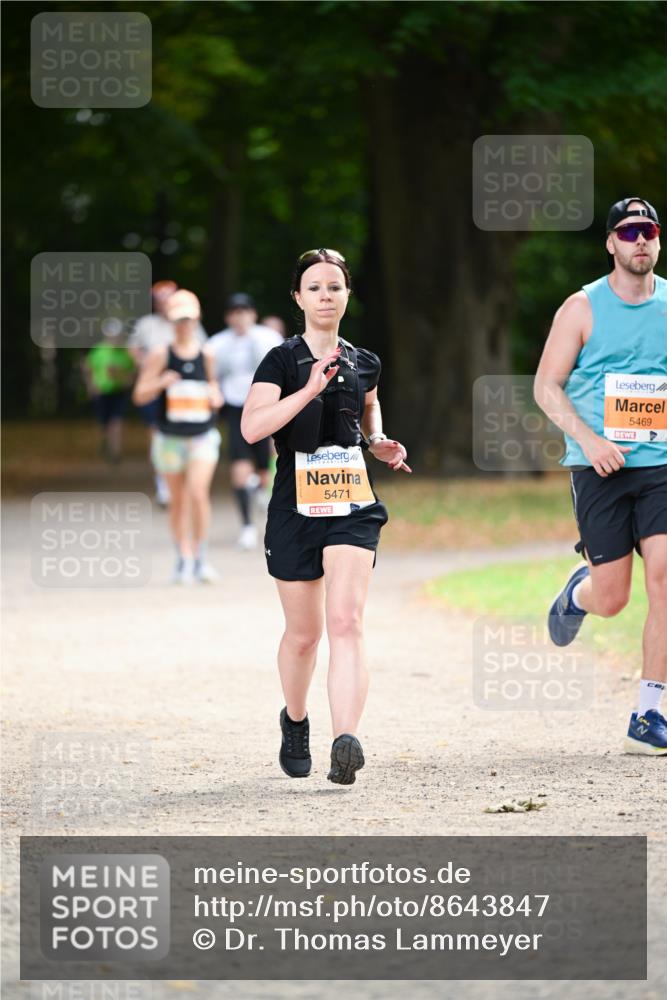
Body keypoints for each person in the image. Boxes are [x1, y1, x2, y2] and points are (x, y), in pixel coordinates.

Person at [241, 249, 411, 784]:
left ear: (347, 295)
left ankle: (346, 739)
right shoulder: (280, 361)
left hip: (352, 500)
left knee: (346, 621)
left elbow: (368, 407)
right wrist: (310, 388)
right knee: (304, 634)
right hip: (295, 505)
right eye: (314, 287)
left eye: (334, 287)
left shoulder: (364, 361)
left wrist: (380, 441)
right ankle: (296, 721)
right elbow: (251, 428)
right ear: (298, 297)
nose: (325, 296)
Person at [534, 197, 667, 755]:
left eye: (650, 231)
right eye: (629, 231)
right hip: (600, 470)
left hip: (661, 466)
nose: (641, 240)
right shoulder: (581, 307)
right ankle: (577, 594)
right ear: (611, 243)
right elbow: (545, 386)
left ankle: (649, 713)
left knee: (665, 581)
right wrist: (590, 442)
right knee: (613, 598)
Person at [132, 290, 223, 584]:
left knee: (198, 493)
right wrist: (161, 381)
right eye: (178, 320)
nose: (183, 325)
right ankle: (182, 557)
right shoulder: (161, 353)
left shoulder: (207, 353)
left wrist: (214, 395)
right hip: (169, 437)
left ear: (196, 319)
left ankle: (201, 557)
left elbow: (214, 388)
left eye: (188, 319)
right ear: (171, 322)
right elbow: (140, 394)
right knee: (178, 501)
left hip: (202, 435)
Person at [209, 293, 282, 549]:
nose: (240, 317)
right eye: (235, 312)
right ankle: (247, 526)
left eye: (245, 311)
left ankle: (262, 492)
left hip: (264, 406)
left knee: (264, 468)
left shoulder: (268, 339)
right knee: (239, 470)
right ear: (228, 316)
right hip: (235, 409)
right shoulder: (217, 344)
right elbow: (211, 376)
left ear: (253, 314)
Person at [128, 281, 207, 506]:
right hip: (157, 385)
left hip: (184, 388)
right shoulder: (146, 324)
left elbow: (201, 350)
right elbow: (134, 349)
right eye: (159, 298)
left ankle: (187, 479)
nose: (163, 302)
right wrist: (151, 370)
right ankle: (164, 482)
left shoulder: (190, 322)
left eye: (168, 297)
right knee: (156, 432)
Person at [82, 319, 136, 463]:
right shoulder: (98, 350)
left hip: (119, 391)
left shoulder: (126, 351)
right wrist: (91, 385)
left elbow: (132, 371)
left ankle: (115, 451)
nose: (115, 338)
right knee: (103, 422)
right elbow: (88, 368)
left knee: (116, 421)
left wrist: (124, 378)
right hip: (101, 391)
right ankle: (105, 442)